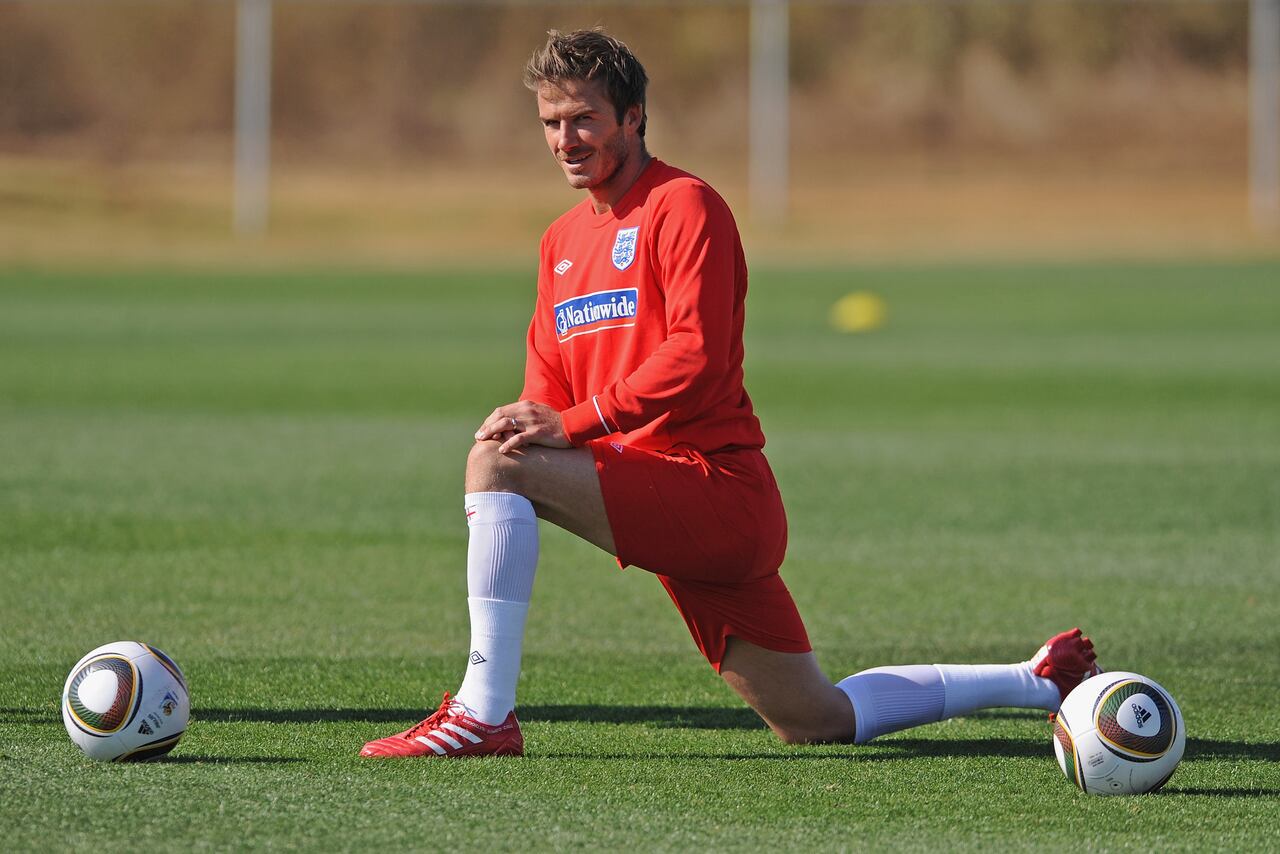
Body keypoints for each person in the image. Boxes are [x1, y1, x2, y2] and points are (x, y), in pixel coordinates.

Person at [360, 29, 1100, 759]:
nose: (565, 139)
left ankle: (484, 714)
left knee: (495, 466)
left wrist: (571, 427)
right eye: (551, 123)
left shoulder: (685, 206)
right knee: (814, 719)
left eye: (584, 117)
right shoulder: (560, 242)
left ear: (633, 116)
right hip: (660, 494)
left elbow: (697, 356)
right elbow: (546, 392)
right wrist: (533, 421)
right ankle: (1038, 680)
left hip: (715, 492)